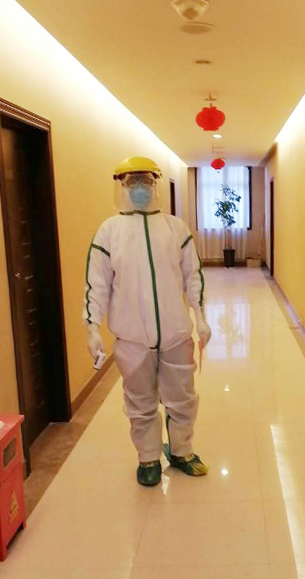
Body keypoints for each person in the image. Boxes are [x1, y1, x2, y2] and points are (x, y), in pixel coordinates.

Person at [83, 156, 211, 486]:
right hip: (131, 338)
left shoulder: (175, 228)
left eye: (146, 181)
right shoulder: (109, 232)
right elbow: (97, 284)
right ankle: (148, 457)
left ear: (155, 185)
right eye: (132, 181)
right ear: (121, 186)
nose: (140, 188)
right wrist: (92, 327)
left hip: (176, 333)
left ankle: (181, 450)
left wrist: (200, 316)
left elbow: (192, 276)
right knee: (139, 402)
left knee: (183, 397)